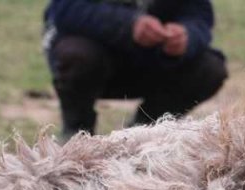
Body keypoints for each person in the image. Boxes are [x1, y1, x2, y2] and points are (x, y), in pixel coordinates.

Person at [42, 0, 227, 138]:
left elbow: (199, 15)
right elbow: (66, 9)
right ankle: (76, 133)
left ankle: (144, 132)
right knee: (77, 56)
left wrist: (187, 35)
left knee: (210, 68)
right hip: (94, 57)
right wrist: (129, 24)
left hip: (153, 59)